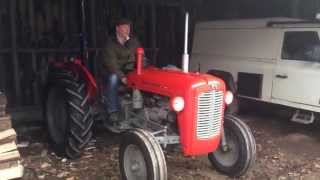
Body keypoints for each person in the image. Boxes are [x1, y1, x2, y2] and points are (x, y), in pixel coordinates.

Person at [102, 18, 141, 127]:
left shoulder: (133, 41)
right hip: (113, 71)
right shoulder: (110, 44)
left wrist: (143, 68)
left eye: (128, 27)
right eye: (124, 27)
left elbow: (140, 56)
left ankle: (140, 108)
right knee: (113, 79)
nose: (127, 30)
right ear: (117, 29)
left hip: (129, 71)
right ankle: (112, 111)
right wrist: (122, 77)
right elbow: (111, 65)